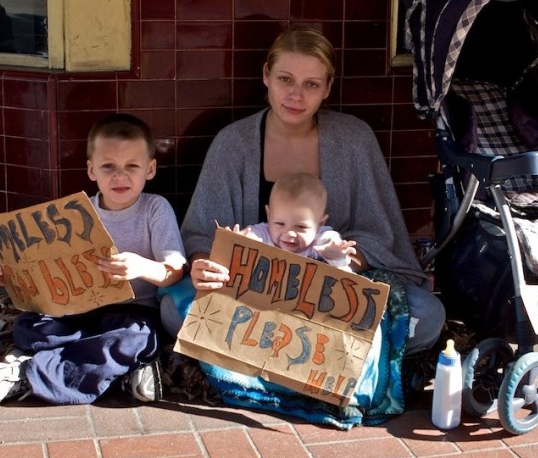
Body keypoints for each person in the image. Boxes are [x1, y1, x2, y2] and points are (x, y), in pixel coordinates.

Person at [161, 28, 445, 356]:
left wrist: (337, 267)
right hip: (249, 295)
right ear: (266, 75)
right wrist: (206, 265)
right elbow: (201, 235)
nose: (296, 95)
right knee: (173, 308)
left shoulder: (354, 139)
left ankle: (270, 355)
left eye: (311, 84)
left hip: (333, 294)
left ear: (327, 88)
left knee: (426, 316)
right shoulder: (233, 143)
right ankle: (317, 355)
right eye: (285, 79)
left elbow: (381, 233)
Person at [0, 113, 187, 405]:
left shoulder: (155, 209)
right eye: (108, 167)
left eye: (132, 166)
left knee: (137, 339)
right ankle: (121, 369)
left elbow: (174, 271)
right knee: (28, 327)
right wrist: (9, 276)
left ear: (150, 169)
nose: (120, 176)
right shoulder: (76, 213)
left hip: (133, 312)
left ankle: (26, 373)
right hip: (78, 311)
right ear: (91, 170)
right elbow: (46, 275)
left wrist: (141, 266)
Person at [238, 172, 357, 271]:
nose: (289, 233)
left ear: (320, 224)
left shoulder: (321, 239)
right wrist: (238, 240)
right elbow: (250, 236)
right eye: (280, 223)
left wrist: (334, 254)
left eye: (300, 227)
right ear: (269, 215)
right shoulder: (264, 233)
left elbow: (333, 245)